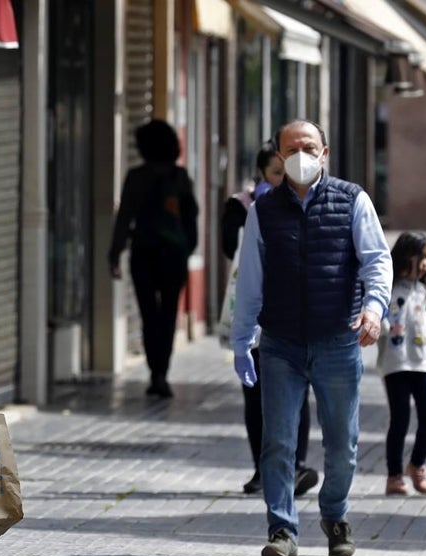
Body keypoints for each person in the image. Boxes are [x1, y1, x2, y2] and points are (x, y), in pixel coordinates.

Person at [231, 119, 392, 556]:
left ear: (325, 152)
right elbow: (250, 281)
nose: (301, 154)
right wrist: (242, 340)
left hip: (338, 341)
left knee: (343, 443)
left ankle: (335, 516)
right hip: (280, 344)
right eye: (291, 148)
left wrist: (374, 310)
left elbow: (377, 261)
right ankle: (282, 529)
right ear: (278, 156)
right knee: (278, 443)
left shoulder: (353, 200)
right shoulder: (263, 211)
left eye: (309, 146)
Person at [220, 141, 319, 498]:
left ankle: (296, 465)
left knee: (297, 391)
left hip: (293, 317)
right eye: (276, 173)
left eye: (287, 172)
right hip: (255, 313)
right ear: (263, 172)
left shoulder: (309, 203)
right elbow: (230, 248)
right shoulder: (245, 206)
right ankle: (261, 468)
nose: (283, 179)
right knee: (255, 394)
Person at [109, 120, 199, 398]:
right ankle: (162, 372)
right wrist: (187, 249)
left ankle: (154, 373)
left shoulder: (137, 176)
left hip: (144, 253)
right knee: (169, 313)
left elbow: (124, 217)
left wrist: (114, 253)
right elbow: (191, 218)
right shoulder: (180, 176)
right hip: (174, 255)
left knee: (149, 314)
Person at [377, 231, 426, 496]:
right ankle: (394, 475)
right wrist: (383, 326)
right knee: (400, 420)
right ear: (403, 257)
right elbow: (378, 316)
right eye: (420, 258)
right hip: (396, 364)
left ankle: (418, 464)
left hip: (425, 365)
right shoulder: (386, 289)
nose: (424, 265)